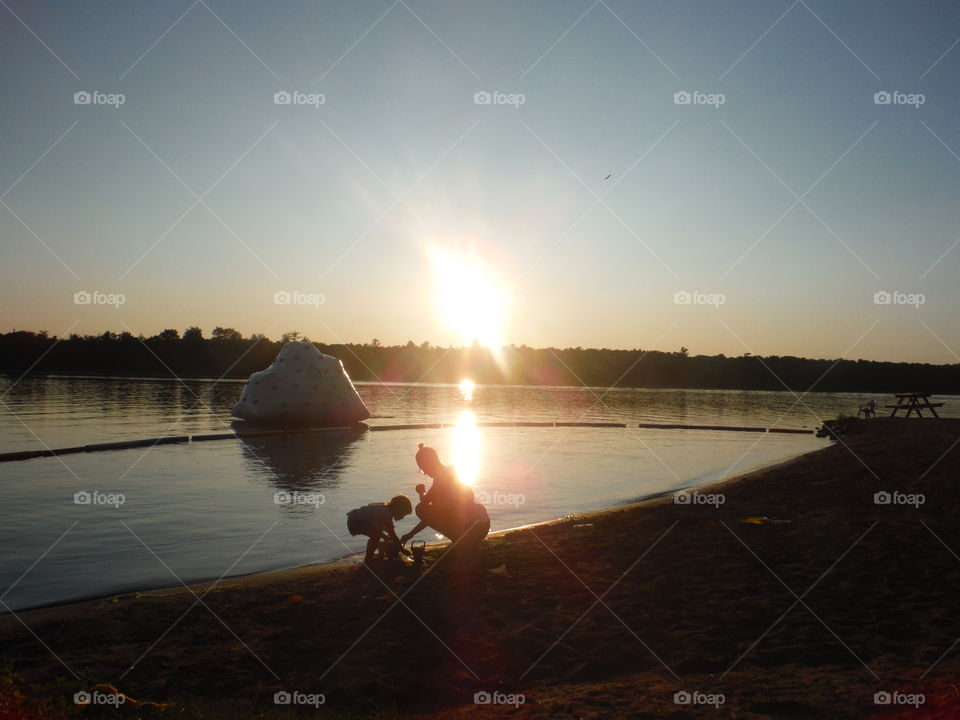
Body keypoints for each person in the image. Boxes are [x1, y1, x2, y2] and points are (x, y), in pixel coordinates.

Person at [400, 443, 490, 554]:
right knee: (434, 511)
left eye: (423, 469)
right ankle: (461, 540)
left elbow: (425, 507)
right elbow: (434, 514)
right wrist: (411, 534)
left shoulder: (441, 479)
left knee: (420, 509)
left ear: (428, 464)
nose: (426, 473)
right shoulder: (451, 473)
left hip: (474, 529)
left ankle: (461, 541)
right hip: (482, 525)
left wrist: (421, 492)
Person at [346, 495, 412, 565]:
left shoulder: (385, 509)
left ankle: (374, 555)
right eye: (403, 515)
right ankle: (368, 559)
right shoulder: (387, 513)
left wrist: (387, 537)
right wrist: (403, 550)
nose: (402, 518)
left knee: (379, 535)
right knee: (377, 536)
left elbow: (389, 531)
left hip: (354, 518)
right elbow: (393, 535)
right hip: (357, 520)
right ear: (398, 509)